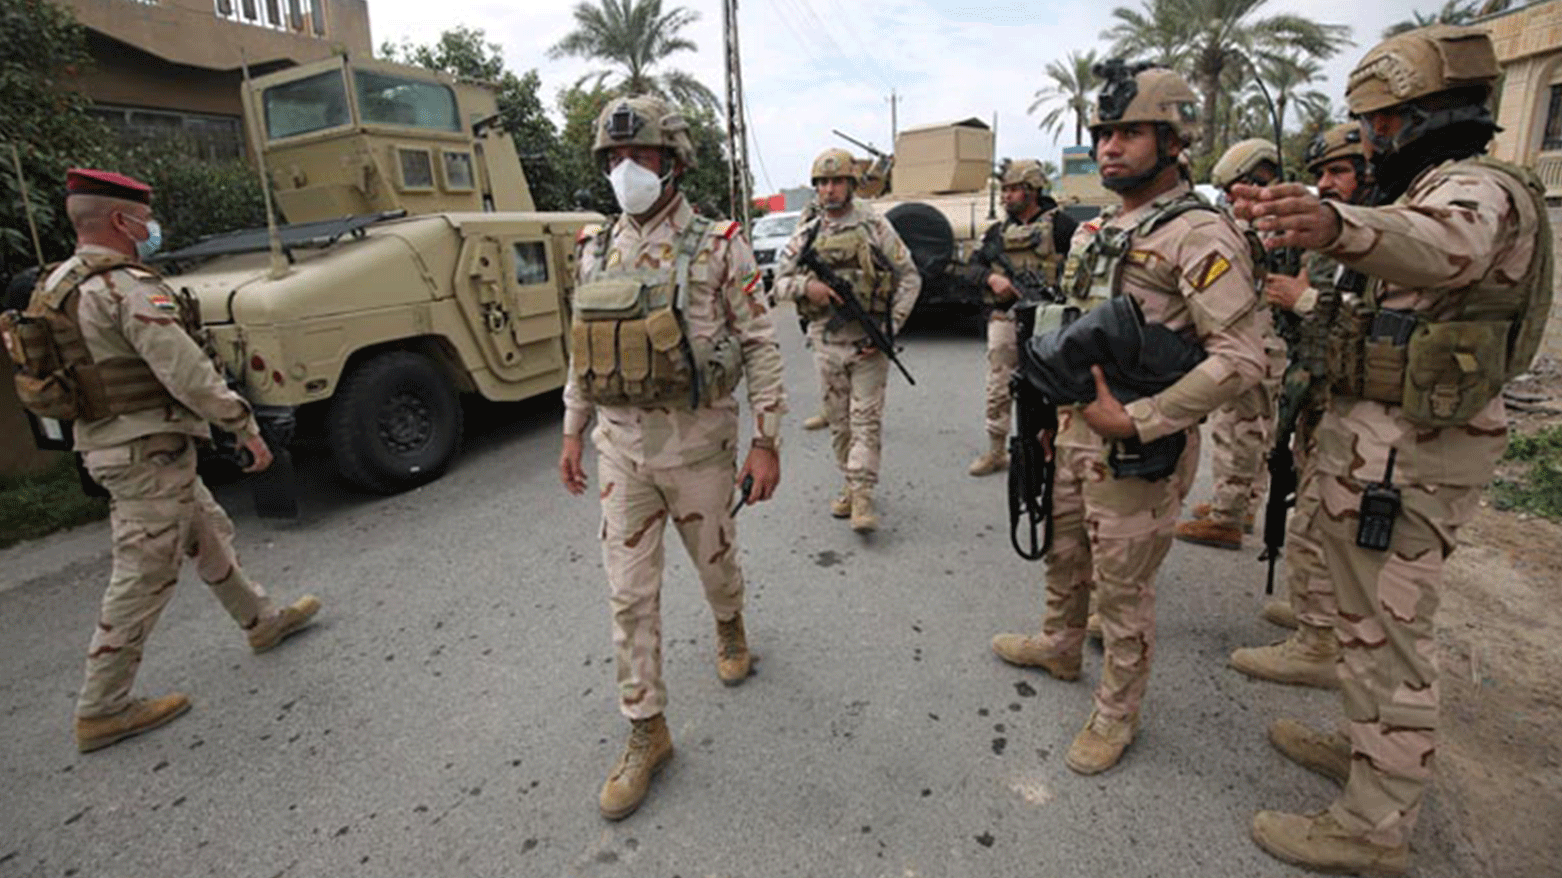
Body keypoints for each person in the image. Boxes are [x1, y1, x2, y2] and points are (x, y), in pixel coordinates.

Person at [1231, 26, 1551, 874]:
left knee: (1390, 640)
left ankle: (1372, 831)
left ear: (1412, 117)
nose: (1368, 141)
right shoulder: (1433, 185)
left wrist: (1337, 222)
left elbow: (1441, 247)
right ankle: (1372, 756)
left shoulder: (1474, 190)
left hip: (1412, 462)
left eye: (1375, 124)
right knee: (1367, 629)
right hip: (1382, 448)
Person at [989, 61, 1267, 775]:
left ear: (1174, 141)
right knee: (1064, 548)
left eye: (1130, 132)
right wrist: (1052, 411)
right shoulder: (1094, 232)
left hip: (1139, 447)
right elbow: (1069, 331)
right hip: (1078, 429)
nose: (1110, 146)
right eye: (1103, 133)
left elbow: (1241, 358)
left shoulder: (1200, 234)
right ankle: (1059, 644)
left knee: (1123, 586)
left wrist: (1140, 419)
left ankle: (1116, 712)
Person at [15, 169, 321, 753]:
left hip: (113, 443)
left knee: (208, 534)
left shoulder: (55, 284)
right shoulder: (124, 287)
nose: (151, 228)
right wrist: (243, 425)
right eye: (144, 219)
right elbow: (184, 369)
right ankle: (103, 707)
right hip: (145, 450)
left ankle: (262, 622)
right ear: (119, 221)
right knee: (144, 572)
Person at [557, 96, 786, 820]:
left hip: (698, 451)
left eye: (643, 155)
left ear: (675, 162)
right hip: (620, 453)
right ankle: (646, 731)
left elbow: (759, 343)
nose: (627, 169)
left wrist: (767, 439)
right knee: (628, 597)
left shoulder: (720, 243)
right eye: (614, 157)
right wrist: (571, 430)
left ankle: (729, 621)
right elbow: (582, 347)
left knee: (717, 565)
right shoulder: (593, 247)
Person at [1227, 122, 1373, 690]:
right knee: (1312, 509)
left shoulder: (1379, 238)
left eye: (1338, 172)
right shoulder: (1337, 240)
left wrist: (1304, 299)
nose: (1326, 184)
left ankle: (1317, 640)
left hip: (1354, 409)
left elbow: (1376, 323)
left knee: (1318, 520)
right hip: (1320, 397)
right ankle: (1320, 611)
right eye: (1319, 174)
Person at [773, 147, 920, 533]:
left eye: (838, 181)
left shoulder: (875, 227)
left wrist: (890, 330)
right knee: (840, 426)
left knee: (866, 423)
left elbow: (909, 277)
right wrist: (809, 287)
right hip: (826, 343)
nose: (830, 189)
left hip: (868, 344)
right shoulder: (807, 234)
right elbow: (778, 283)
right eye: (823, 183)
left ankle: (863, 497)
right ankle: (850, 485)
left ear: (852, 185)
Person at [1174, 137, 1286, 550]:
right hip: (1264, 336)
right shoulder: (1271, 221)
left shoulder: (1269, 227)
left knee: (1238, 425)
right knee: (1256, 426)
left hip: (1257, 337)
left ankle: (1228, 516)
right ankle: (1243, 504)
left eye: (1235, 190)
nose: (1229, 201)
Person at [960, 159, 1078, 477]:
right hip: (1008, 317)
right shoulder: (998, 233)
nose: (1006, 196)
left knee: (1053, 387)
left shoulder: (1062, 226)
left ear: (1032, 190)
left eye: (1013, 190)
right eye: (1005, 190)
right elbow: (969, 268)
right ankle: (997, 451)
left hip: (1051, 319)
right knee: (998, 385)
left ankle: (1055, 448)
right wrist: (991, 279)